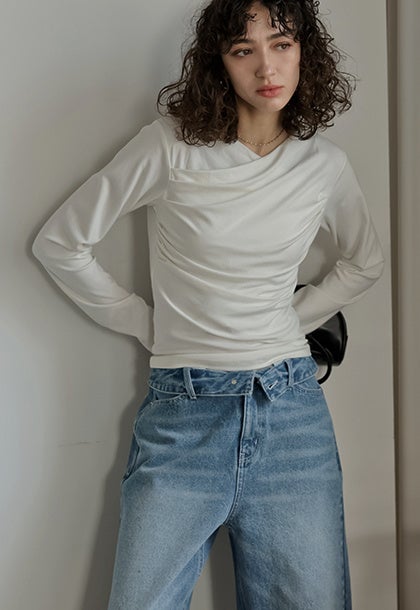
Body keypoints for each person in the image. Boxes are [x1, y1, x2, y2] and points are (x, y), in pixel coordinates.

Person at [32, 0, 384, 608]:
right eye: (244, 50)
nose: (267, 67)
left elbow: (364, 263)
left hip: (292, 415)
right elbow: (61, 243)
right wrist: (147, 323)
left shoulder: (324, 165)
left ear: (305, 52)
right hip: (185, 413)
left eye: (281, 44)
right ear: (219, 63)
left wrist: (286, 320)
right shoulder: (170, 147)